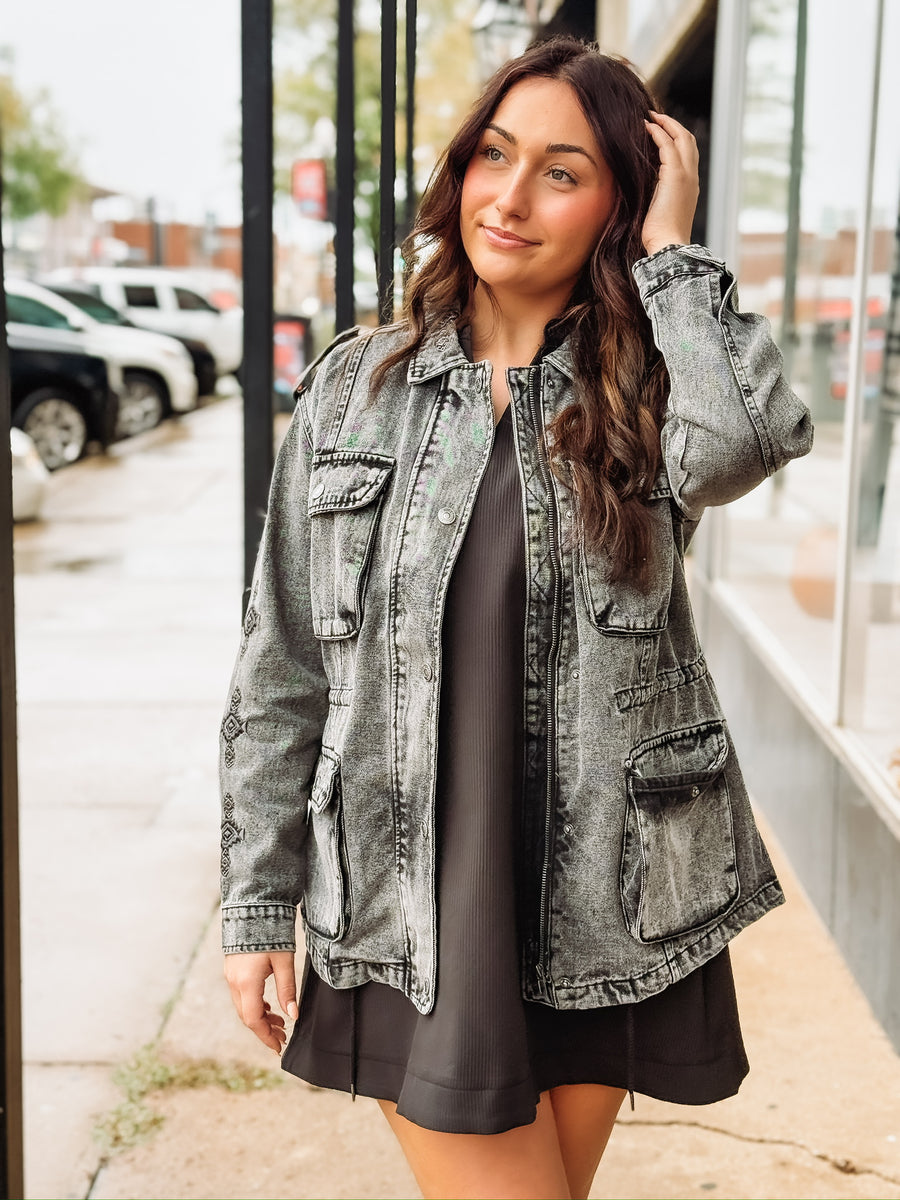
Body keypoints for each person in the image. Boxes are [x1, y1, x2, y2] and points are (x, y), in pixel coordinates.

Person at [220, 35, 813, 1200]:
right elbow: (281, 661)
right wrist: (255, 899)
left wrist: (676, 256)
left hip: (607, 902)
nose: (510, 195)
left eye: (562, 170)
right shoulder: (356, 384)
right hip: (403, 905)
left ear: (616, 205)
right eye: (496, 155)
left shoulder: (643, 387)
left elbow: (743, 444)